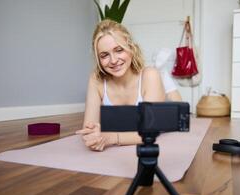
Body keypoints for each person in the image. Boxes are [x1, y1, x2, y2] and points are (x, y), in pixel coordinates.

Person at [76, 19, 180, 151]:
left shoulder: (150, 75)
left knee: (179, 113)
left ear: (131, 47)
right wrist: (93, 135)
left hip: (168, 116)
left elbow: (149, 132)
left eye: (119, 50)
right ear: (98, 59)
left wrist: (110, 137)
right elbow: (88, 129)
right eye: (104, 55)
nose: (113, 60)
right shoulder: (96, 79)